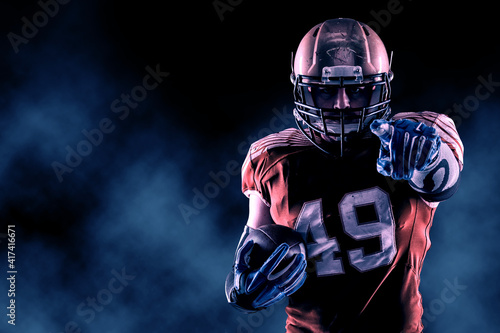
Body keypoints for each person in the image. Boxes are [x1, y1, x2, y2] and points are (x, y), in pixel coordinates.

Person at [225, 18, 464, 333]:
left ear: (381, 88)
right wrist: (243, 288)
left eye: (360, 90)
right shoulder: (272, 158)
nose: (342, 104)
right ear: (303, 91)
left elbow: (441, 180)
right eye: (324, 92)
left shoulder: (409, 137)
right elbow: (252, 250)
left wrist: (426, 156)